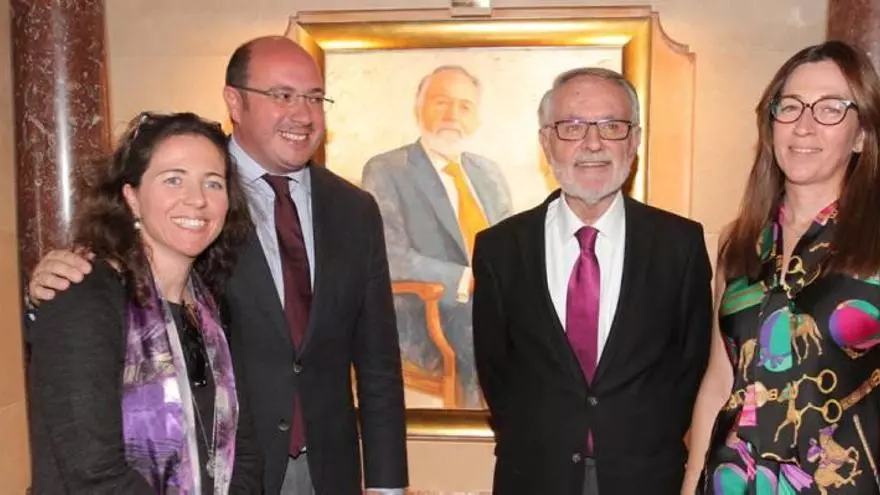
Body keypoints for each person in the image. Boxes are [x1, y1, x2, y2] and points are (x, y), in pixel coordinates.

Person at [28, 36, 408, 495]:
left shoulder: (354, 209)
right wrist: (46, 291)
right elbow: (90, 449)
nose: (303, 113)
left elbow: (378, 361)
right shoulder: (134, 253)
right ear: (234, 100)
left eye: (314, 97)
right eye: (282, 95)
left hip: (307, 470)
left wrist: (387, 483)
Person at [472, 67, 713, 495]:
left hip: (646, 479)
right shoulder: (500, 249)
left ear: (634, 140)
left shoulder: (680, 244)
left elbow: (691, 366)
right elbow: (495, 371)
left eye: (612, 126)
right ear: (546, 142)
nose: (593, 143)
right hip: (533, 478)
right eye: (572, 127)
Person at [683, 40, 880, 494]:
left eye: (830, 109)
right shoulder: (739, 243)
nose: (804, 126)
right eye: (790, 107)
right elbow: (720, 380)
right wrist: (691, 482)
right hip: (733, 481)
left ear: (861, 135)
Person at [27, 112, 261, 493]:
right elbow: (94, 474)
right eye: (173, 179)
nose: (197, 199)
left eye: (213, 183)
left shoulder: (214, 309)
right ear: (131, 197)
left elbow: (245, 452)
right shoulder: (83, 295)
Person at [362, 65, 512, 408]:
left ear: (477, 118)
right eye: (441, 102)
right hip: (423, 313)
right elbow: (389, 255)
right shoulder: (387, 170)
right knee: (482, 321)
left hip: (489, 305)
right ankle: (476, 429)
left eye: (464, 106)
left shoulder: (488, 173)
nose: (452, 115)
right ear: (419, 108)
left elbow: (512, 248)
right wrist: (466, 280)